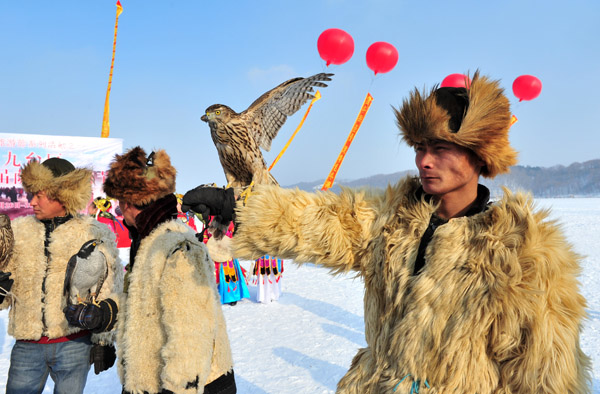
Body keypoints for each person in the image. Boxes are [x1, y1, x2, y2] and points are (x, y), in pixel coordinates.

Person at [182, 72, 591, 393]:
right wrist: (237, 207)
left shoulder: (525, 255)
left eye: (441, 148)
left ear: (479, 154)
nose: (425, 161)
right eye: (419, 147)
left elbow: (547, 378)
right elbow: (320, 222)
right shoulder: (392, 220)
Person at [102, 146, 236, 394]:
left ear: (133, 202)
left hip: (188, 383)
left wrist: (179, 388)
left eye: (121, 202)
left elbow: (190, 333)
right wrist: (105, 313)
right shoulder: (147, 241)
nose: (119, 211)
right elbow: (143, 304)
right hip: (150, 377)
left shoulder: (177, 248)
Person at [0, 157, 122, 394]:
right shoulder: (18, 231)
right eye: (31, 193)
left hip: (74, 344)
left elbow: (109, 288)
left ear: (63, 194)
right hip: (27, 346)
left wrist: (104, 340)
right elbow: (5, 292)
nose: (32, 200)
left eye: (39, 194)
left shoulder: (94, 232)